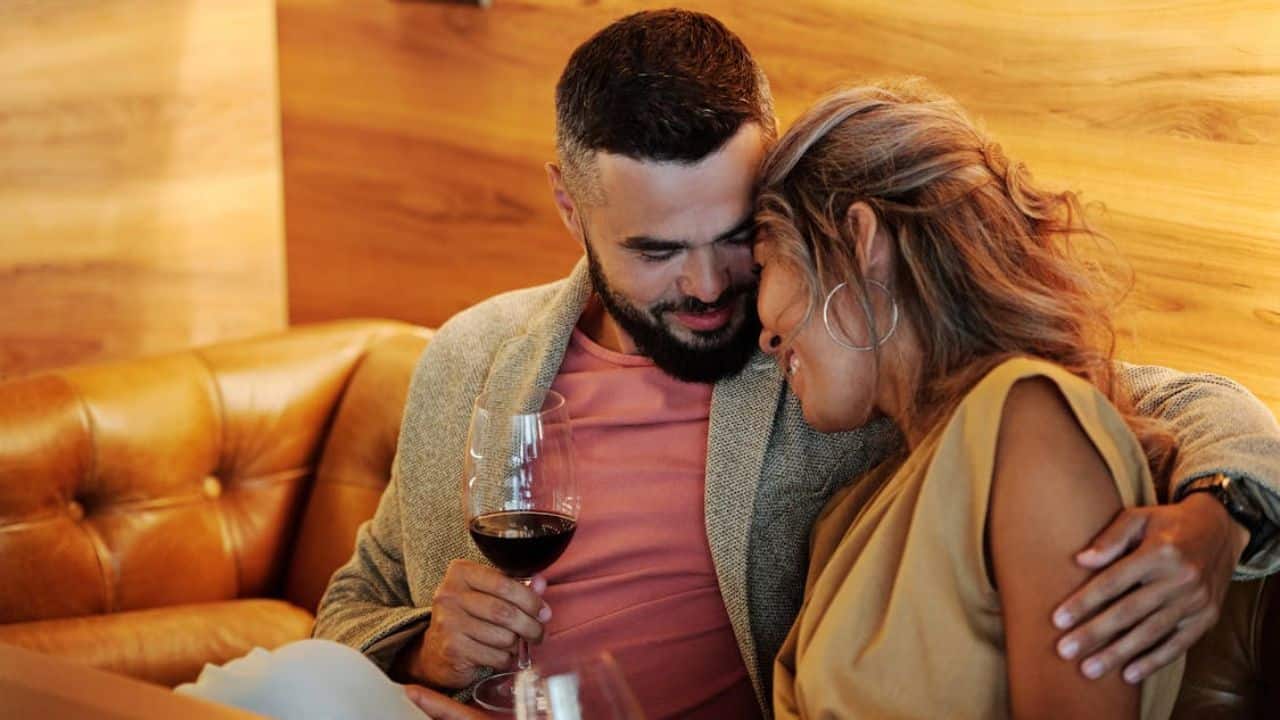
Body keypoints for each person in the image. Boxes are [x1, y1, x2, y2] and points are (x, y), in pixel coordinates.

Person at [311, 9, 1280, 718]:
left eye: (739, 238)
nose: (705, 289)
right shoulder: (470, 359)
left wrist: (1223, 513)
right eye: (655, 251)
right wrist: (423, 651)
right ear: (570, 208)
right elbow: (349, 610)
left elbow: (1143, 399)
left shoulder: (838, 367)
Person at [753, 79, 1249, 719]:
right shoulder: (861, 503)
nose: (764, 332)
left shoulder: (1026, 423)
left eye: (766, 261)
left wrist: (1231, 508)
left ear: (859, 239)